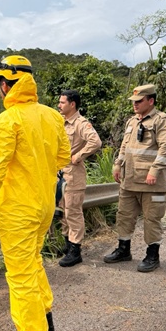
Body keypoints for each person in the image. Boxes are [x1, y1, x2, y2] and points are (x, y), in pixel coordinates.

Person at [0, 55, 71, 331]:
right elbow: (63, 157)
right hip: (43, 207)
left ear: (4, 84)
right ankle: (48, 328)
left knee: (21, 274)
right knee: (34, 263)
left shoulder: (9, 119)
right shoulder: (52, 116)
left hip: (19, 211)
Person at [103, 84, 166, 272]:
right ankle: (123, 250)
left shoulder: (162, 120)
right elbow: (124, 146)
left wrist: (155, 170)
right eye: (133, 101)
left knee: (152, 219)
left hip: (151, 182)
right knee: (124, 216)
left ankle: (152, 255)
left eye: (139, 101)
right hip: (129, 180)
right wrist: (117, 164)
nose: (135, 104)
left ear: (150, 101)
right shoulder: (132, 121)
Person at [56, 89, 102, 267]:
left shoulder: (80, 123)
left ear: (72, 104)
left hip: (74, 175)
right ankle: (68, 245)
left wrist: (79, 155)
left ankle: (76, 250)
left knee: (73, 212)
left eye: (62, 102)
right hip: (61, 174)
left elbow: (95, 142)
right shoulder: (61, 122)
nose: (59, 105)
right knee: (63, 211)